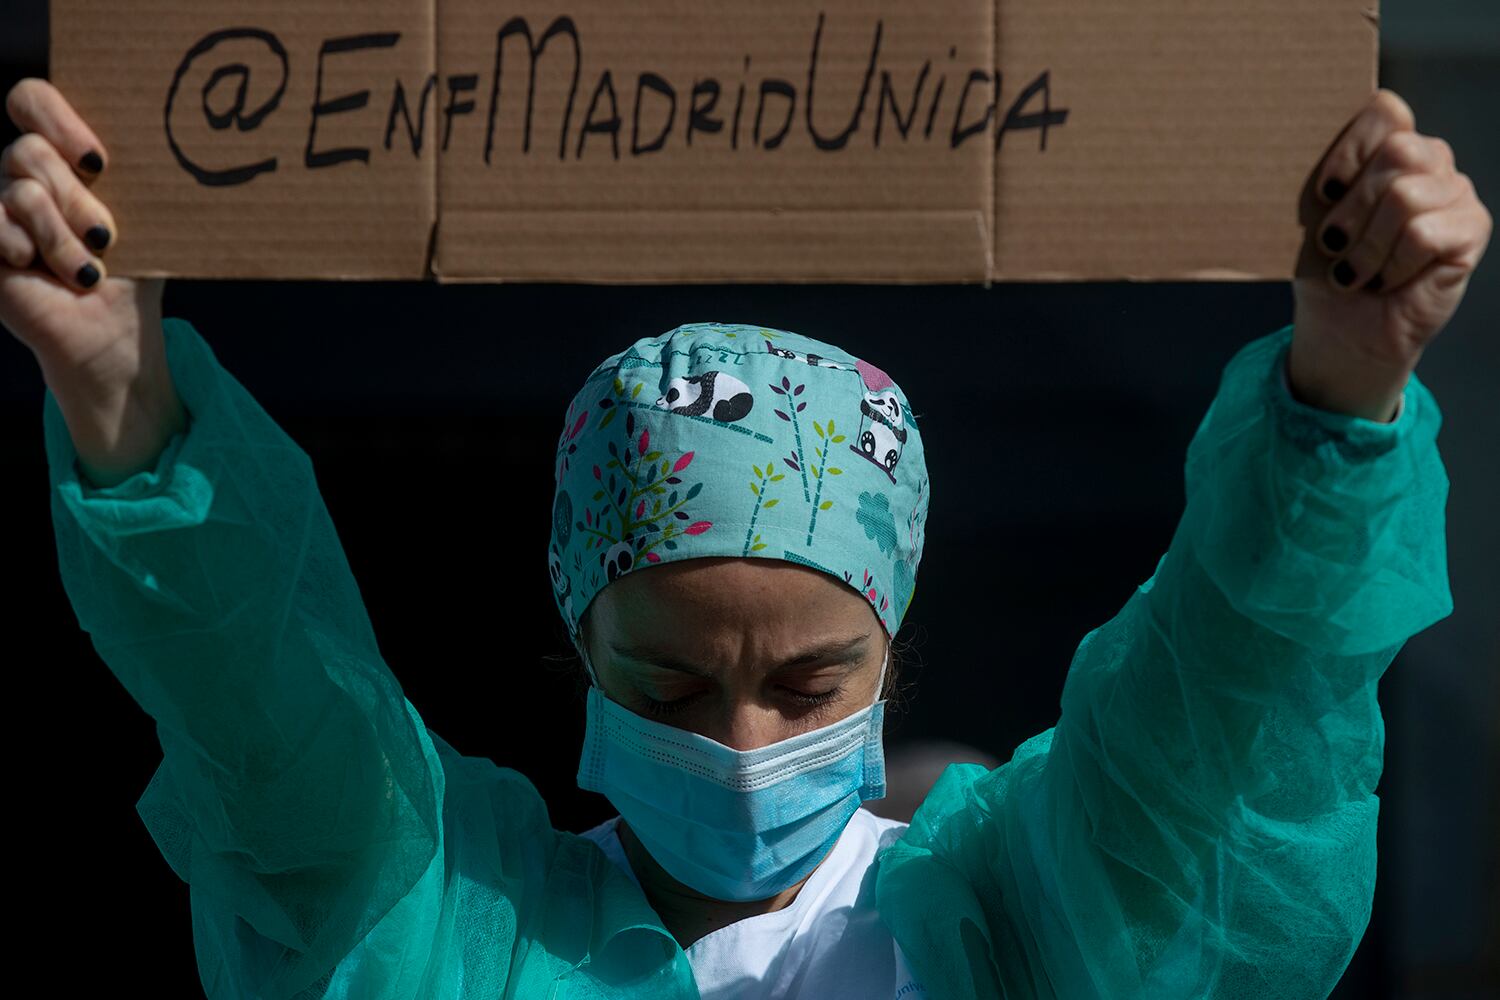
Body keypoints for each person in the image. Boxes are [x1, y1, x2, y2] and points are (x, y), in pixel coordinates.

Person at [1, 75, 1491, 999]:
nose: (736, 739)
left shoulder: (1032, 919)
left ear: (896, 653)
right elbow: (264, 719)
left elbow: (1226, 701)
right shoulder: (444, 924)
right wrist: (123, 397)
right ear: (576, 635)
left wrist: (1342, 394)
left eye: (808, 686)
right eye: (665, 685)